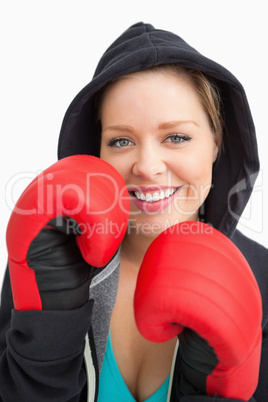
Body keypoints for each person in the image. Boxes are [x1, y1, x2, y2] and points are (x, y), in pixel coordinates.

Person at [0, 21, 267, 402]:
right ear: (97, 152)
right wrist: (48, 339)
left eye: (176, 137)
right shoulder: (45, 258)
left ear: (216, 143)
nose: (146, 166)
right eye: (121, 140)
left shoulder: (264, 281)